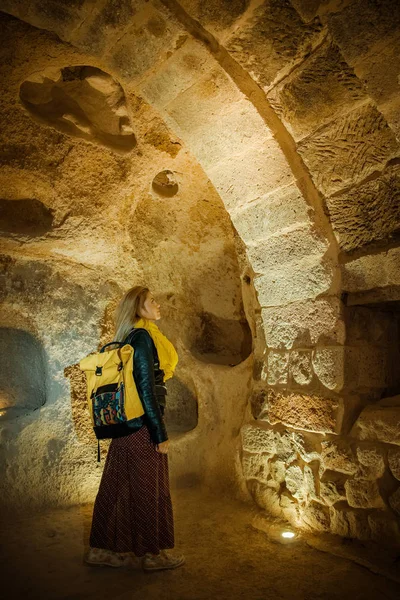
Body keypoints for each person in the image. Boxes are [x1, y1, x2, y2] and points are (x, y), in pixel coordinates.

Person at [85, 285, 185, 571]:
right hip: (141, 425)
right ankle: (151, 555)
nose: (157, 304)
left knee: (116, 484)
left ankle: (100, 550)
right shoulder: (141, 338)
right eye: (152, 301)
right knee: (146, 489)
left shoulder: (133, 337)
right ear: (139, 309)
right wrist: (159, 432)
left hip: (128, 425)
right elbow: (146, 388)